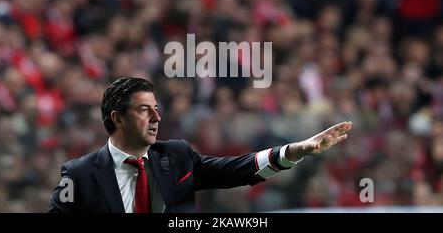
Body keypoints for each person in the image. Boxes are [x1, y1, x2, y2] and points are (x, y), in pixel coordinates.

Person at [48, 77, 352, 213]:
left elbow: (239, 170)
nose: (156, 117)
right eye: (144, 110)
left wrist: (297, 150)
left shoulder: (176, 155)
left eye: (156, 108)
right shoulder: (79, 174)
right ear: (118, 118)